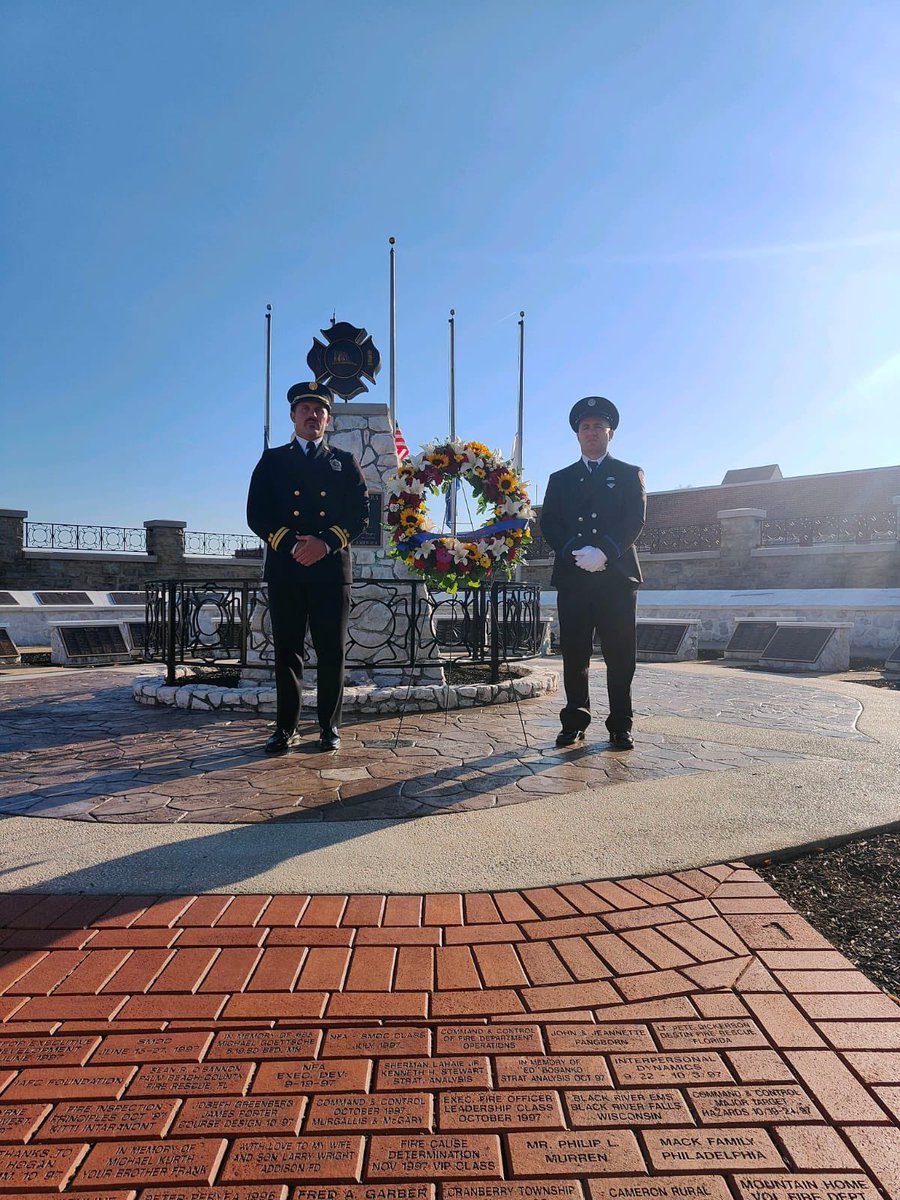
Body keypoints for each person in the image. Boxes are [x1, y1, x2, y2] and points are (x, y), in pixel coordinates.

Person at [247, 380, 368, 752]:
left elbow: (360, 515)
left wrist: (325, 543)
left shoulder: (344, 463)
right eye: (305, 410)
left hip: (331, 572)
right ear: (293, 416)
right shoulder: (273, 461)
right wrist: (291, 545)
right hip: (288, 569)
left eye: (319, 411)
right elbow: (256, 514)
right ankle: (286, 728)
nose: (312, 416)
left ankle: (329, 727)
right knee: (288, 652)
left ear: (328, 419)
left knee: (332, 651)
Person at [539, 395, 646, 750]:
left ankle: (620, 724)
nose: (592, 432)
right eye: (586, 427)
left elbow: (635, 519)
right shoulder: (561, 478)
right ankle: (575, 720)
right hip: (575, 577)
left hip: (616, 578)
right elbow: (549, 523)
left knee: (619, 655)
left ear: (610, 433)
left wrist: (605, 553)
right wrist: (575, 551)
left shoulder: (629, 474)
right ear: (577, 434)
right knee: (574, 653)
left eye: (598, 426)